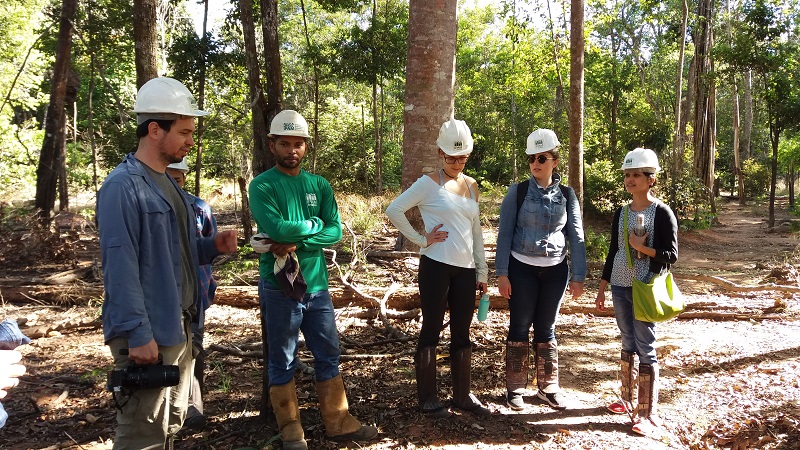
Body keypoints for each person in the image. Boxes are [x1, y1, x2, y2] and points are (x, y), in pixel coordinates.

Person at [97, 77, 238, 449]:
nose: (191, 141)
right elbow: (120, 264)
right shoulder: (122, 186)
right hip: (149, 332)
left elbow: (170, 254)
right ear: (155, 129)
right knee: (142, 431)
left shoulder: (167, 184)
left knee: (169, 423)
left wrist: (210, 248)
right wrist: (138, 333)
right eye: (185, 132)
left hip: (178, 326)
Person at [249, 110, 378, 450]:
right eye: (285, 143)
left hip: (317, 286)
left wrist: (301, 237)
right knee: (283, 357)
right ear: (273, 144)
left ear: (306, 146)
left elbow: (334, 230)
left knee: (327, 352)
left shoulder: (318, 185)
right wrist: (313, 226)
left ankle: (338, 422)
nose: (292, 150)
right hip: (279, 286)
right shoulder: (262, 185)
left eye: (298, 144)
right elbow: (277, 229)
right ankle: (291, 430)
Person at [386, 118, 490, 417]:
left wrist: (482, 271)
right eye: (451, 156)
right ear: (440, 154)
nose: (457, 162)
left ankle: (462, 396)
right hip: (435, 266)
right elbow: (394, 209)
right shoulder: (428, 183)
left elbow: (476, 233)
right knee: (431, 328)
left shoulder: (471, 186)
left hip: (465, 270)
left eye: (462, 157)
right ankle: (428, 398)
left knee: (462, 331)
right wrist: (421, 239)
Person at [495, 128, 587, 411]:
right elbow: (505, 233)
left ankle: (548, 388)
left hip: (555, 272)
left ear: (554, 161)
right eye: (532, 158)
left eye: (542, 158)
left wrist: (579, 276)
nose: (536, 163)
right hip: (521, 269)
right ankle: (515, 390)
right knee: (520, 325)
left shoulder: (568, 195)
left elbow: (577, 235)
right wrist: (502, 273)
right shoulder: (518, 192)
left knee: (546, 328)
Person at [595, 148, 678, 436]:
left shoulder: (662, 212)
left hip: (645, 286)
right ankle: (625, 398)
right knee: (627, 339)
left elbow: (671, 254)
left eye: (636, 175)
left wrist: (642, 247)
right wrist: (603, 286)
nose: (630, 180)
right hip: (620, 284)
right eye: (627, 175)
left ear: (650, 179)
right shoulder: (621, 212)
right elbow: (613, 251)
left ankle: (646, 412)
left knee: (646, 344)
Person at [166, 158, 218, 431]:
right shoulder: (150, 205)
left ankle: (192, 406)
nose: (174, 183)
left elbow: (211, 246)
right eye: (168, 177)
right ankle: (165, 409)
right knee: (166, 349)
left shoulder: (199, 208)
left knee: (194, 347)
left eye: (179, 178)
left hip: (195, 290)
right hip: (161, 294)